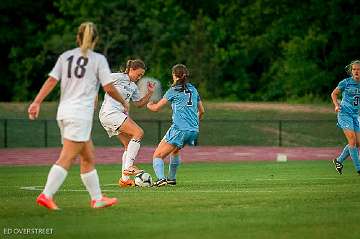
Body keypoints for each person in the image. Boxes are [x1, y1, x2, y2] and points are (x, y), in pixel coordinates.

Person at [28, 22, 129, 210]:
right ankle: (46, 194)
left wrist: (36, 102)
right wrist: (123, 102)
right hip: (79, 115)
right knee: (67, 157)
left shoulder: (65, 57)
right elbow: (108, 87)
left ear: (77, 37)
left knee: (88, 156)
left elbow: (51, 80)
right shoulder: (98, 60)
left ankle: (97, 198)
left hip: (64, 113)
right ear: (96, 40)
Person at [99, 59, 155, 187]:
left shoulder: (133, 86)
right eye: (138, 74)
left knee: (128, 144)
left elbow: (139, 104)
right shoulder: (118, 77)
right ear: (131, 69)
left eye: (142, 75)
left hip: (115, 115)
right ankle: (129, 167)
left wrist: (149, 94)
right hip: (110, 113)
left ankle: (124, 180)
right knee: (138, 132)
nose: (139, 77)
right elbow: (100, 80)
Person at [147, 64, 205, 186]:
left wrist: (149, 105)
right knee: (175, 151)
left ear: (174, 75)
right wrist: (193, 124)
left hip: (180, 129)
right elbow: (202, 111)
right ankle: (171, 178)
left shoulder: (173, 90)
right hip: (193, 130)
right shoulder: (193, 89)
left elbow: (156, 108)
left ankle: (161, 179)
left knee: (157, 155)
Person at [331, 59, 360, 175]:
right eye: (354, 69)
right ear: (351, 71)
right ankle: (359, 168)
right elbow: (334, 94)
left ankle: (338, 160)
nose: (356, 71)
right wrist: (336, 105)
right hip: (344, 114)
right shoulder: (346, 82)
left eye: (359, 69)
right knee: (352, 140)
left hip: (355, 116)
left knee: (358, 143)